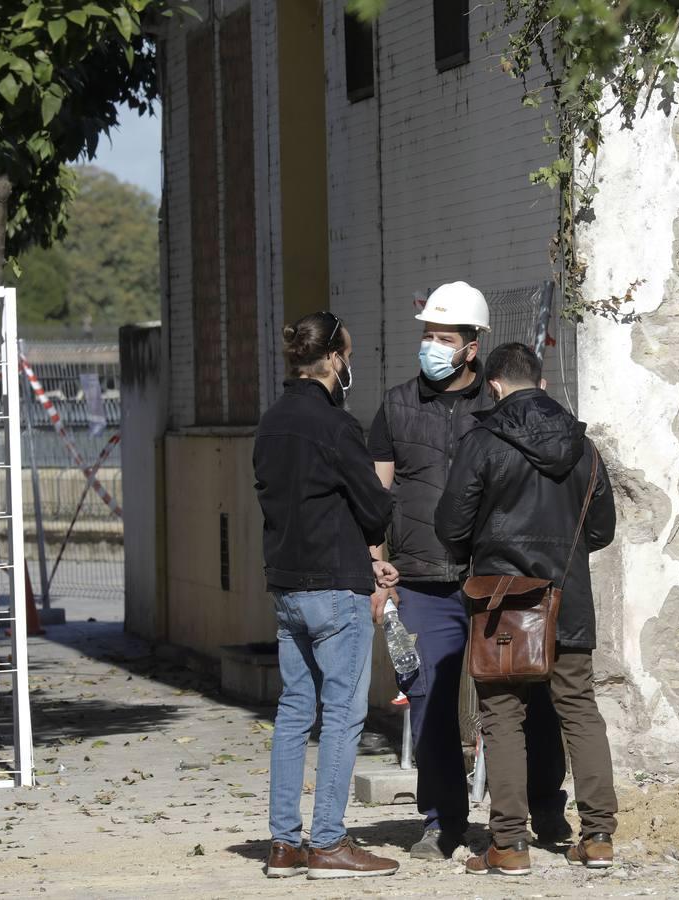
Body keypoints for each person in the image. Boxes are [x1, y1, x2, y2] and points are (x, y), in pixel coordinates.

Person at [367, 281, 569, 860]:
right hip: (424, 579)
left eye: (442, 337)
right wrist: (376, 562)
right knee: (428, 699)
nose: (430, 345)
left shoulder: (503, 407)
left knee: (527, 696)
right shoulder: (398, 404)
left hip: (500, 576)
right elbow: (378, 495)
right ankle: (441, 820)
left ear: (471, 347)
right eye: (426, 335)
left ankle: (545, 810)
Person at [434, 341, 619, 877]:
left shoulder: (482, 440)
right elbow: (601, 530)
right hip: (570, 601)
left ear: (493, 385)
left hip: (503, 605)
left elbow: (450, 527)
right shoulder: (586, 447)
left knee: (502, 714)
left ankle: (510, 844)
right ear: (541, 384)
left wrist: (481, 554)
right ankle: (598, 836)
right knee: (580, 711)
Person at [253, 311, 402, 880]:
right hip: (335, 589)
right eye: (349, 355)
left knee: (294, 713)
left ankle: (284, 845)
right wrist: (373, 546)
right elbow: (373, 505)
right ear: (335, 359)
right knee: (341, 715)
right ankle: (331, 842)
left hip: (288, 585)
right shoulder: (337, 425)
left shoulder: (271, 423)